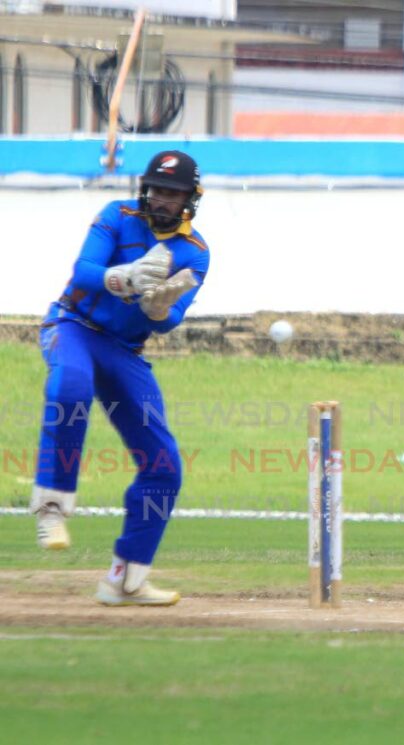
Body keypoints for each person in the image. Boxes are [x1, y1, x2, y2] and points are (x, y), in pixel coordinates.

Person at [30, 150, 210, 607]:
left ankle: (126, 579)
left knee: (165, 466)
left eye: (174, 194)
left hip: (124, 350)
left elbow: (170, 320)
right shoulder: (116, 215)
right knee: (70, 386)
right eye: (158, 190)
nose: (163, 200)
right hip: (72, 327)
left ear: (190, 199)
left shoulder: (196, 252)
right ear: (145, 189)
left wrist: (158, 310)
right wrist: (124, 278)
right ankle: (51, 506)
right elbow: (83, 272)